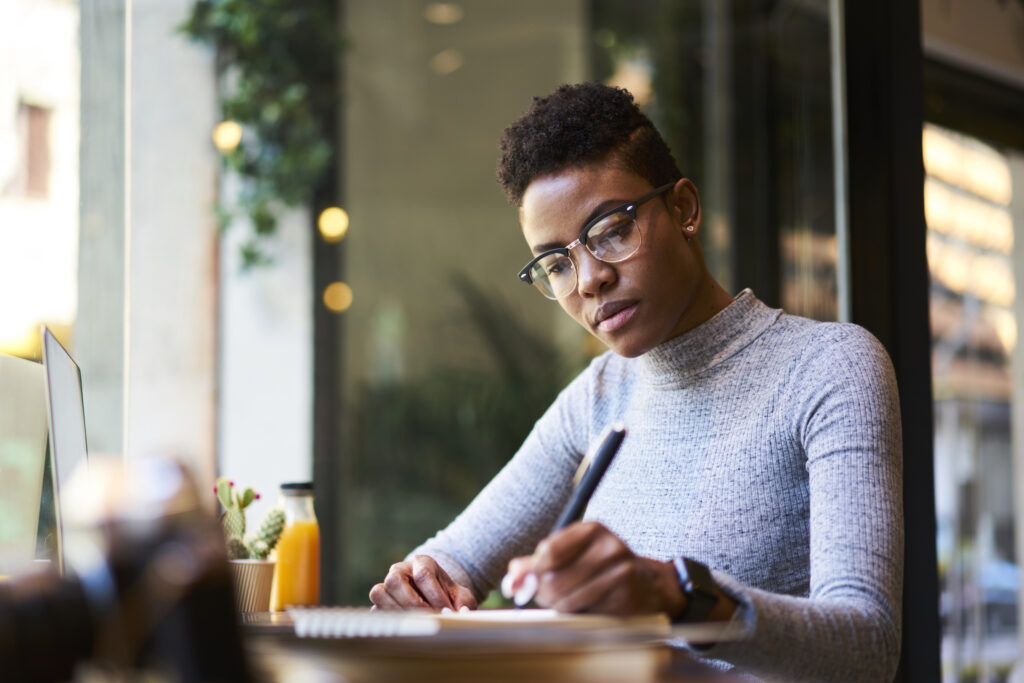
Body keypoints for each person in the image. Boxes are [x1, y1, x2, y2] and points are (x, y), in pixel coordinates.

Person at [369, 82, 903, 682]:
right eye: (556, 263)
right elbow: (456, 558)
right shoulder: (599, 394)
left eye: (612, 230)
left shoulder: (828, 367)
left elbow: (868, 644)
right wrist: (419, 583)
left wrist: (676, 595)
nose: (589, 280)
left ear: (684, 209)